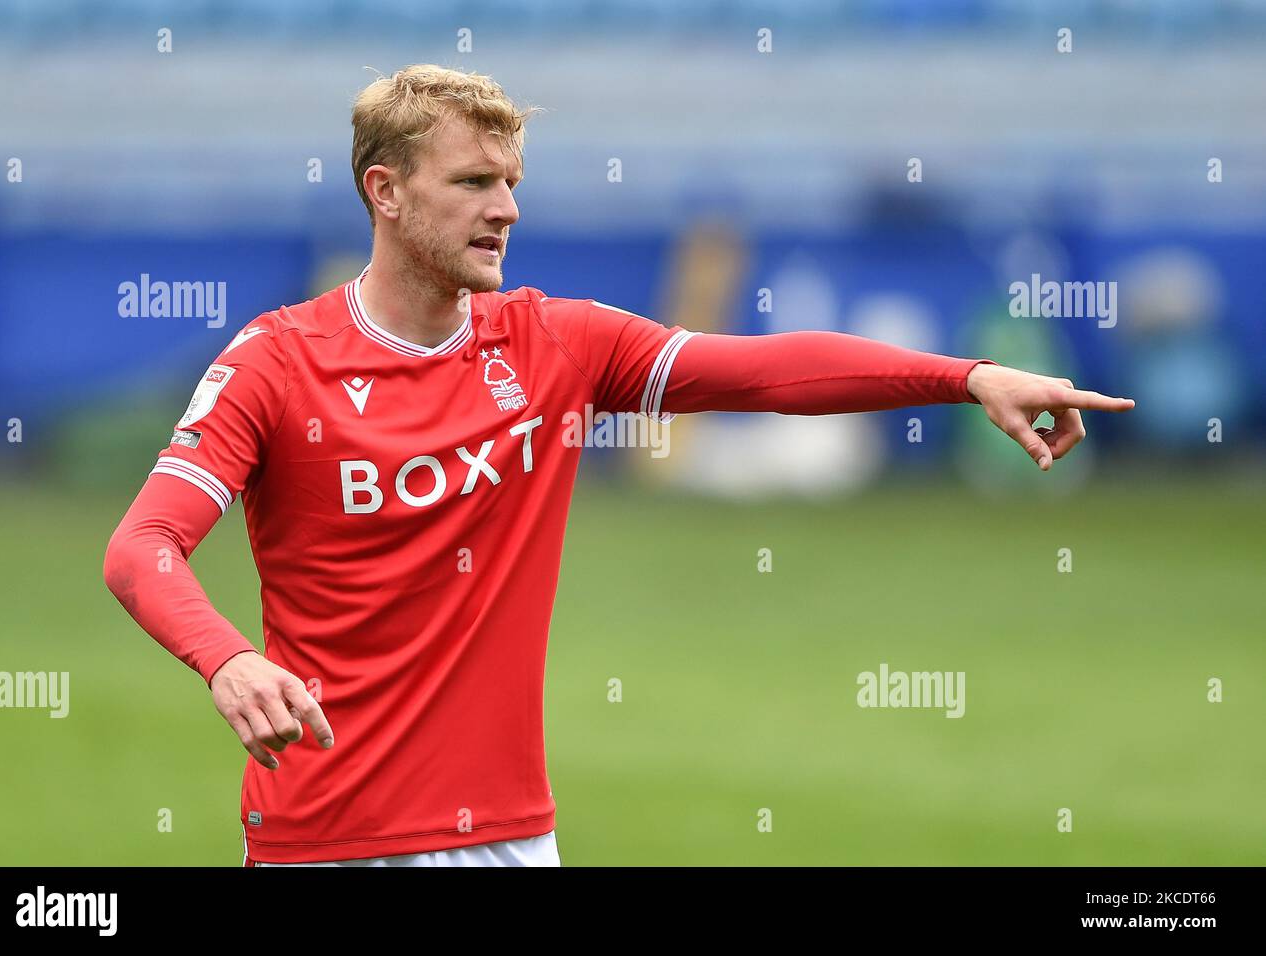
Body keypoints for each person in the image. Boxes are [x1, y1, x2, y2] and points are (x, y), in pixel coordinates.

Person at [102, 64, 1135, 867]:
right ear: (386, 191)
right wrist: (227, 656)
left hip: (503, 836)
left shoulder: (556, 341)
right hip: (316, 835)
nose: (504, 207)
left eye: (511, 182)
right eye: (472, 183)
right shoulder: (276, 362)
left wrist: (966, 375)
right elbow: (143, 544)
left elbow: (764, 373)